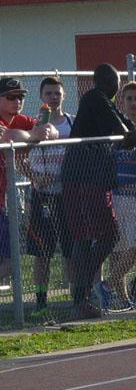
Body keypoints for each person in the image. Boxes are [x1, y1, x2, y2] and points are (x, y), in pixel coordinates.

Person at [61, 64, 136, 319]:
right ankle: (81, 297)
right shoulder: (95, 98)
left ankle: (84, 291)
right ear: (108, 82)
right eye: (116, 82)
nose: (118, 87)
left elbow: (134, 129)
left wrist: (131, 133)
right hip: (83, 180)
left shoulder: (107, 102)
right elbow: (124, 133)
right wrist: (129, 134)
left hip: (98, 181)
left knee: (107, 234)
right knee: (87, 236)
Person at [21, 77, 74, 317]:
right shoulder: (34, 125)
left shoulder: (71, 123)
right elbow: (18, 157)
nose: (54, 97)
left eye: (57, 94)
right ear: (41, 97)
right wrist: (34, 176)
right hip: (41, 195)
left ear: (63, 96)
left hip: (66, 195)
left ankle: (76, 295)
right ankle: (41, 300)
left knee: (70, 250)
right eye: (49, 93)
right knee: (42, 253)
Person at [0, 78, 58, 289]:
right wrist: (34, 136)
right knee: (10, 262)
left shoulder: (19, 119)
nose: (17, 101)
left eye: (20, 97)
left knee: (11, 260)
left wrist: (40, 133)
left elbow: (52, 130)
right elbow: (8, 137)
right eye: (10, 97)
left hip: (3, 201)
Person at [103, 81, 136, 310]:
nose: (133, 103)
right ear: (121, 102)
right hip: (119, 194)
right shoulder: (116, 127)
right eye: (129, 98)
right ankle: (122, 299)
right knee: (120, 250)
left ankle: (106, 285)